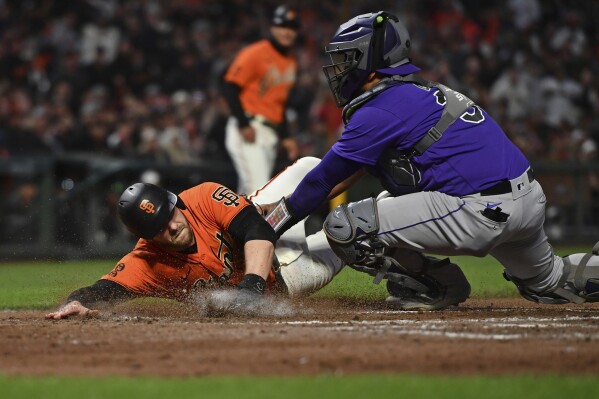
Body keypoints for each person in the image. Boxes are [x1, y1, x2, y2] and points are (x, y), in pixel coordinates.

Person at [262, 11, 599, 310]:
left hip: (480, 209)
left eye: (346, 58)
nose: (338, 69)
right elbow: (352, 168)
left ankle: (440, 286)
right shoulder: (416, 93)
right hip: (526, 199)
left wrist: (270, 224)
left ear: (369, 59)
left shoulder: (379, 110)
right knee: (551, 283)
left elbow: (322, 179)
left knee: (348, 227)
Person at [46, 157, 344, 319]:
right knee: (348, 236)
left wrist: (250, 286)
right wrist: (78, 301)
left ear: (174, 201)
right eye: (160, 228)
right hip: (287, 281)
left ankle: (378, 164)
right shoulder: (146, 261)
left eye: (170, 214)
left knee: (309, 165)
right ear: (147, 238)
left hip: (270, 234)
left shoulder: (202, 197)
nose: (173, 226)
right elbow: (105, 290)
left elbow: (257, 229)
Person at [222, 4, 300, 195]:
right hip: (250, 127)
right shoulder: (255, 52)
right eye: (283, 26)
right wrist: (243, 123)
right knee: (258, 190)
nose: (287, 32)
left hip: (270, 133)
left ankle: (230, 224)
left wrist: (286, 136)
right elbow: (230, 86)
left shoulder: (291, 61)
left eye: (291, 27)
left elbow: (280, 103)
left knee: (249, 192)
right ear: (272, 28)